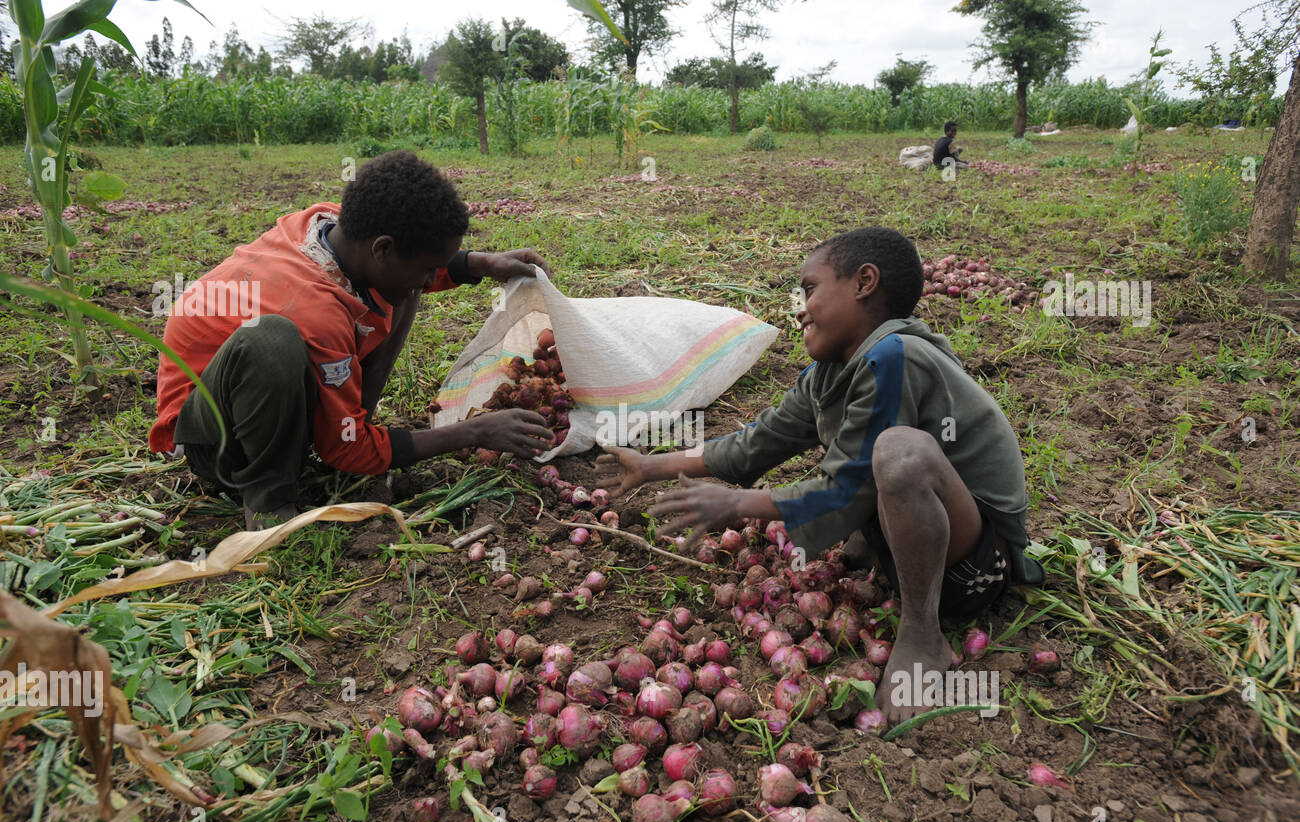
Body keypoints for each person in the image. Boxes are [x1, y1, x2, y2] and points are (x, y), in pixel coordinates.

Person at [596, 227, 1042, 723]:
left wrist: (737, 504)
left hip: (975, 568)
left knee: (897, 452)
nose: (800, 308)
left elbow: (848, 485)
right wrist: (653, 465)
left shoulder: (896, 354)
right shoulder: (830, 373)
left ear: (863, 282)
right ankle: (882, 559)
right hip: (913, 548)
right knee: (867, 450)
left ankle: (922, 633)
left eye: (809, 289)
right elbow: (758, 442)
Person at [148, 151, 555, 530]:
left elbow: (405, 258)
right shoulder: (312, 311)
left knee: (404, 289)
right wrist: (475, 432)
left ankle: (350, 421)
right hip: (215, 438)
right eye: (430, 267)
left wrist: (478, 263)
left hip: (265, 393)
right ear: (382, 249)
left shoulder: (334, 224)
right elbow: (343, 451)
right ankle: (268, 498)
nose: (435, 278)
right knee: (272, 341)